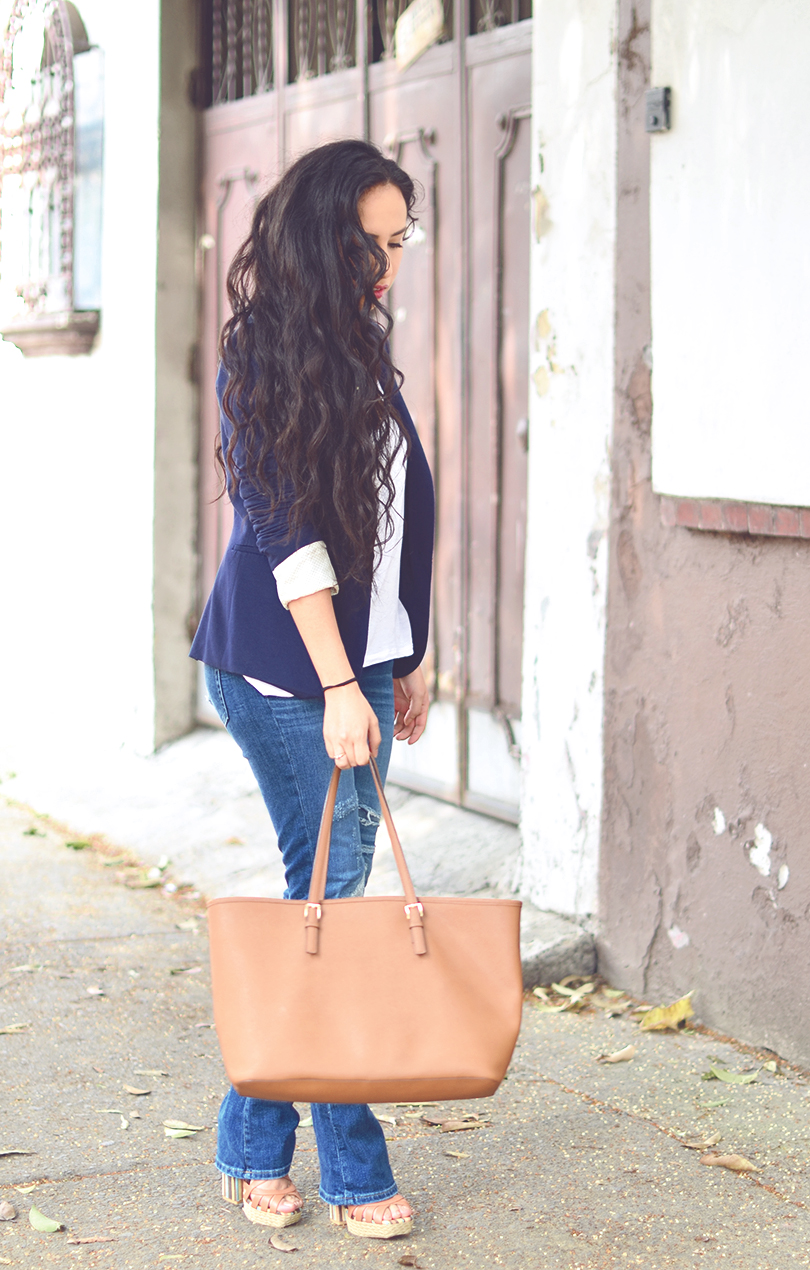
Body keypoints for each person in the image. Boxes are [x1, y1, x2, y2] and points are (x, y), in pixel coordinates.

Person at [190, 139, 434, 1240]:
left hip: (359, 660)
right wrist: (343, 683)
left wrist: (406, 653)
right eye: (367, 245)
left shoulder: (359, 345)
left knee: (318, 908)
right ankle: (355, 1171)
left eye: (397, 241)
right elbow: (290, 542)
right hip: (288, 670)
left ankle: (251, 1148)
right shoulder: (262, 358)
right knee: (330, 906)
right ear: (317, 243)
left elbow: (392, 514)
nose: (385, 265)